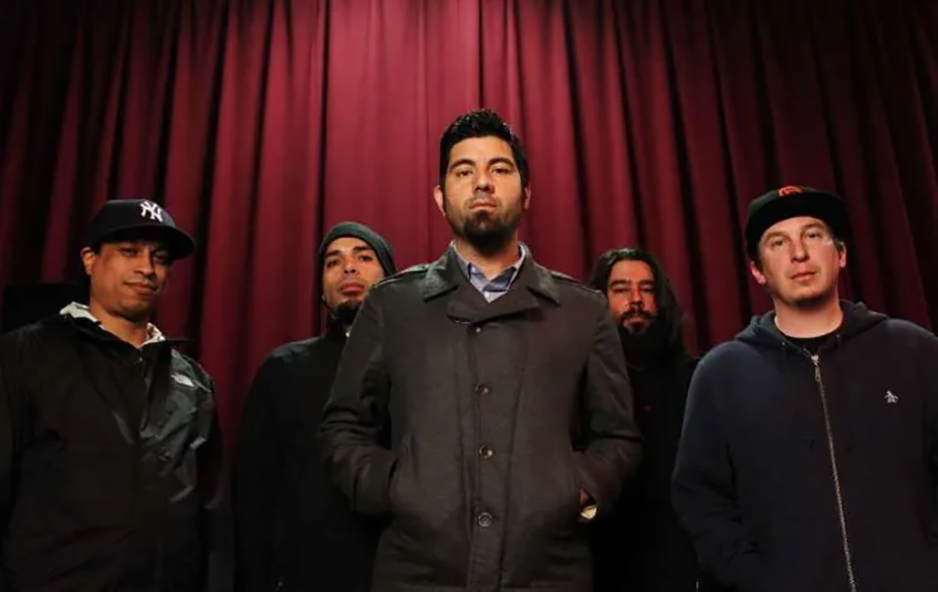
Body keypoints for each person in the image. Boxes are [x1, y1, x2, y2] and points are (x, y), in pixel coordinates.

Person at [319, 108, 642, 592]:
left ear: (526, 193)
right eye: (464, 171)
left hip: (548, 575)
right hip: (416, 575)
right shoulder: (391, 304)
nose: (483, 183)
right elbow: (343, 426)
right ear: (440, 197)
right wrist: (394, 488)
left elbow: (619, 437)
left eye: (500, 169)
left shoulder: (583, 309)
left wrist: (576, 492)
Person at [672, 185, 938, 592]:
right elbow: (701, 500)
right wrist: (758, 579)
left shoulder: (913, 350)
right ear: (758, 270)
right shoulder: (721, 374)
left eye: (813, 235)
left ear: (841, 254)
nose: (799, 253)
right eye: (778, 243)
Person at [0, 198, 229, 591]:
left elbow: (213, 512)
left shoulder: (194, 382)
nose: (147, 268)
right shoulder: (24, 355)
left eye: (160, 258)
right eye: (129, 252)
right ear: (90, 259)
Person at [233, 221, 397, 592]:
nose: (348, 268)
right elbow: (253, 493)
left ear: (391, 278)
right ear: (321, 291)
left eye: (364, 257)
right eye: (333, 262)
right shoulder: (284, 369)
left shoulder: (421, 365)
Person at [587, 247, 699, 592]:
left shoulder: (696, 382)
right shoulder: (578, 388)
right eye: (621, 289)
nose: (636, 300)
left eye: (647, 289)